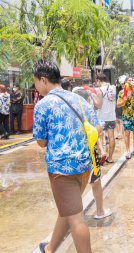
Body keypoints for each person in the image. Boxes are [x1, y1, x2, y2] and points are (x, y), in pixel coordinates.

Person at [33, 60, 100, 253]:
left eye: (36, 82)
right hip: (84, 167)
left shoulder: (43, 105)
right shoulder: (80, 99)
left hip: (62, 170)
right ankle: (51, 247)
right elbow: (97, 128)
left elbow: (41, 142)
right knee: (70, 209)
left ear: (43, 80)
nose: (36, 86)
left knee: (76, 219)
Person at [73, 89, 113, 220]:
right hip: (89, 152)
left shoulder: (67, 110)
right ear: (87, 99)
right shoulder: (88, 110)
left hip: (71, 153)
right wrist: (101, 150)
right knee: (95, 183)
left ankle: (71, 217)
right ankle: (100, 211)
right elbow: (98, 132)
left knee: (73, 187)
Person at [117, 77, 134, 159]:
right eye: (129, 80)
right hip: (126, 116)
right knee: (127, 133)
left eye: (132, 80)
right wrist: (123, 101)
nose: (131, 82)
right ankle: (127, 151)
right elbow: (118, 104)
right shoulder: (122, 92)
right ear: (126, 82)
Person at [95, 73, 116, 163]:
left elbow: (99, 105)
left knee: (99, 136)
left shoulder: (99, 90)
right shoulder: (113, 88)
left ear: (99, 80)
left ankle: (102, 153)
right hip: (111, 117)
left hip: (101, 118)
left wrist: (94, 102)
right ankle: (110, 158)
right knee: (111, 137)